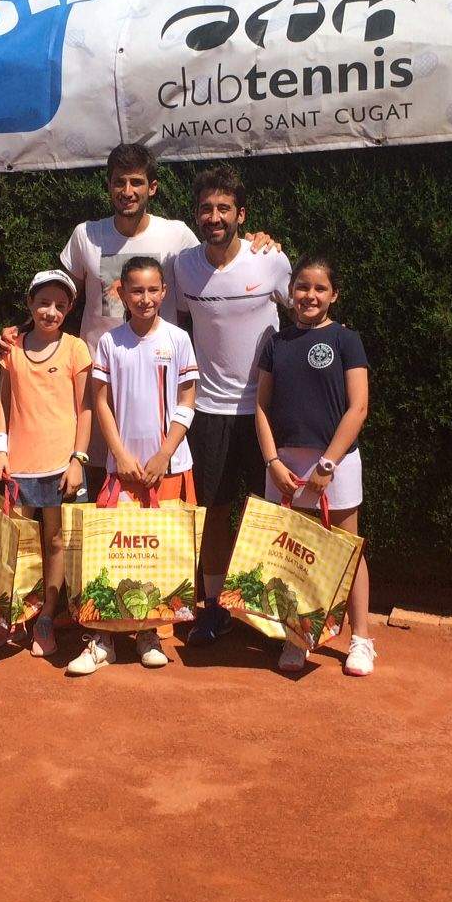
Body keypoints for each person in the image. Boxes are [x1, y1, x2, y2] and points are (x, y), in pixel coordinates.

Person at [1, 142, 278, 494]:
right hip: (97, 381)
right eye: (119, 183)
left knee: (160, 484)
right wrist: (23, 330)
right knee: (99, 478)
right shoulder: (86, 235)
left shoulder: (176, 235)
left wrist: (256, 239)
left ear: (152, 188)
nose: (127, 192)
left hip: (158, 387)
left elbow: (217, 253)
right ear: (109, 186)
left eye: (136, 183)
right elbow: (57, 297)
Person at [170, 164, 291, 645]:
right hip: (210, 411)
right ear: (197, 214)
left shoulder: (271, 261)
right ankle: (216, 607)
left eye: (224, 208)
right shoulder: (183, 266)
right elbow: (178, 327)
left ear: (241, 214)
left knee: (272, 513)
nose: (214, 216)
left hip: (266, 413)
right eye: (206, 208)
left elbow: (306, 314)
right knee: (216, 512)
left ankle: (270, 609)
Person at [69, 255, 198, 675]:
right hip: (121, 471)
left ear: (164, 292)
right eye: (136, 290)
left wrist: (163, 454)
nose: (145, 298)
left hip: (171, 466)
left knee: (156, 555)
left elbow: (187, 401)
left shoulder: (178, 339)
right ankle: (103, 639)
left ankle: (149, 634)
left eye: (152, 290)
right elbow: (101, 402)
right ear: (120, 293)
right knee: (114, 553)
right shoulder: (109, 342)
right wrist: (119, 455)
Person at [254, 256, 375, 676]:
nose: (310, 295)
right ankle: (296, 636)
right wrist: (271, 460)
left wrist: (328, 463)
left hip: (335, 463)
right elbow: (261, 408)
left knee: (348, 551)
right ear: (291, 293)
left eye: (320, 288)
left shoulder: (346, 340)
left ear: (334, 295)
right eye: (303, 287)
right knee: (291, 554)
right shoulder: (276, 342)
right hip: (284, 466)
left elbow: (357, 408)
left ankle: (360, 639)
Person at [0, 270, 92, 657]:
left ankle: (45, 618)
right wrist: (0, 450)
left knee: (56, 541)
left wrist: (78, 459)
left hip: (61, 466)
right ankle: (11, 619)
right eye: (44, 302)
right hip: (19, 466)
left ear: (70, 310)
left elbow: (86, 409)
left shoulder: (77, 349)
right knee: (19, 545)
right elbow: (2, 401)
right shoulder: (11, 348)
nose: (51, 311)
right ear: (29, 304)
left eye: (60, 306)